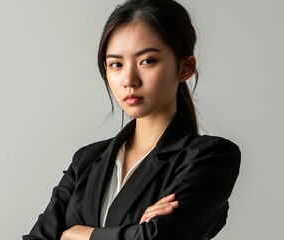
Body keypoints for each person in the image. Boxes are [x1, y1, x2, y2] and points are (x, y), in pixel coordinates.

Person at [23, 0, 241, 239]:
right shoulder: (86, 161)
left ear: (185, 68)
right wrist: (136, 232)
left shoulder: (210, 157)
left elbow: (159, 237)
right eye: (116, 64)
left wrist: (78, 234)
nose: (129, 79)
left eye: (147, 61)